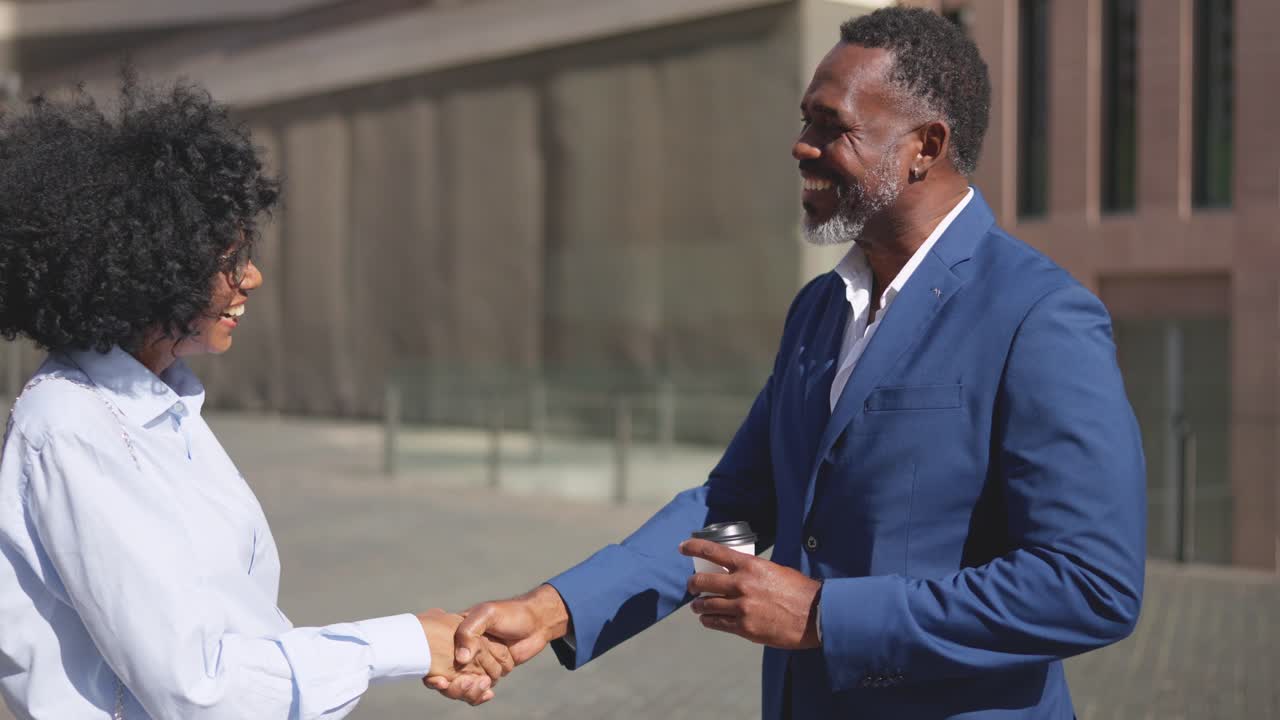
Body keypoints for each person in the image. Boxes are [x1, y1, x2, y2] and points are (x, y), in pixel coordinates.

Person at [429, 7, 1147, 718]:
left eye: (831, 126)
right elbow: (735, 509)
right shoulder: (820, 307)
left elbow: (1089, 585)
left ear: (924, 146)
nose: (802, 146)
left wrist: (829, 615)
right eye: (805, 120)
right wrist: (553, 609)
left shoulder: (1038, 315)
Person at [0, 75, 507, 718]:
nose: (252, 277)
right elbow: (198, 689)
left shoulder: (164, 411)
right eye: (228, 258)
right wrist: (405, 643)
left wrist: (424, 648)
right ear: (149, 269)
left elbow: (241, 639)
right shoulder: (73, 426)